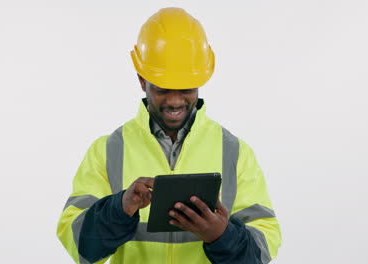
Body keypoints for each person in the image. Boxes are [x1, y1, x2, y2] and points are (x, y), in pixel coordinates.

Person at [57, 7, 282, 264]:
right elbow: (78, 247)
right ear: (142, 80)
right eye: (163, 88)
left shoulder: (235, 152)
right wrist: (120, 209)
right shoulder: (107, 151)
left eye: (186, 87)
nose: (175, 101)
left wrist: (223, 236)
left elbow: (262, 249)